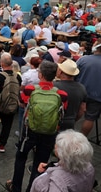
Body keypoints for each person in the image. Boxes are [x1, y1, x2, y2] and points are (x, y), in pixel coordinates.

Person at [7, 61, 68, 192]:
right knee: (40, 163)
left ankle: (16, 187)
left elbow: (23, 103)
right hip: (49, 133)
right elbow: (63, 111)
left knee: (21, 157)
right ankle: (32, 188)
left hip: (30, 131)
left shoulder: (30, 89)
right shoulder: (62, 94)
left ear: (40, 74)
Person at [30, 130, 95, 192]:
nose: (55, 145)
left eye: (58, 145)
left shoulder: (57, 182)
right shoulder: (89, 167)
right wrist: (45, 172)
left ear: (62, 154)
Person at [53, 59, 87, 131]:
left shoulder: (54, 86)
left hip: (53, 120)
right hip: (70, 121)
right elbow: (82, 109)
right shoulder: (82, 88)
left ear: (60, 72)